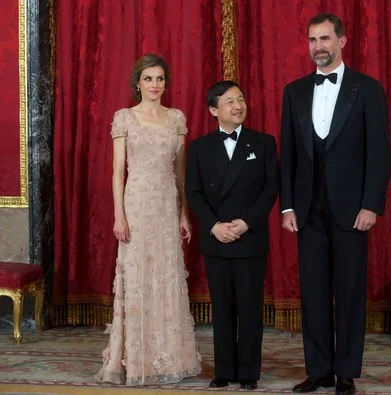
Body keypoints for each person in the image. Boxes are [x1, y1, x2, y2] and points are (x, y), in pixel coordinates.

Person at [280, 13, 391, 395]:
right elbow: (289, 156)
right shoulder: (293, 91)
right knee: (312, 291)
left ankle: (346, 371)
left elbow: (380, 153)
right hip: (307, 208)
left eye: (325, 39)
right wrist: (287, 206)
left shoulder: (368, 89)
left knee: (348, 291)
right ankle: (319, 370)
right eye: (312, 40)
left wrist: (371, 205)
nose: (319, 47)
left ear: (342, 41)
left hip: (352, 209)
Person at [96, 54, 201, 385]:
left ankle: (169, 357)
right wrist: (119, 216)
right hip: (137, 205)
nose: (155, 85)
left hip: (166, 206)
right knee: (138, 277)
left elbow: (181, 173)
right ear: (137, 83)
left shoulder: (176, 119)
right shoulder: (125, 118)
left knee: (166, 277)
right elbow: (117, 171)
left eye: (160, 79)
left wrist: (184, 213)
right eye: (149, 79)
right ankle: (134, 358)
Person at [185, 81, 278, 391]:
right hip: (216, 239)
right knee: (222, 309)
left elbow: (270, 188)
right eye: (229, 102)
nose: (238, 106)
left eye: (241, 99)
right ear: (214, 110)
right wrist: (213, 225)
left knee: (250, 308)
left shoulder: (263, 143)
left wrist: (246, 221)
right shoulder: (199, 147)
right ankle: (224, 370)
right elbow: (194, 192)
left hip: (249, 238)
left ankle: (249, 371)